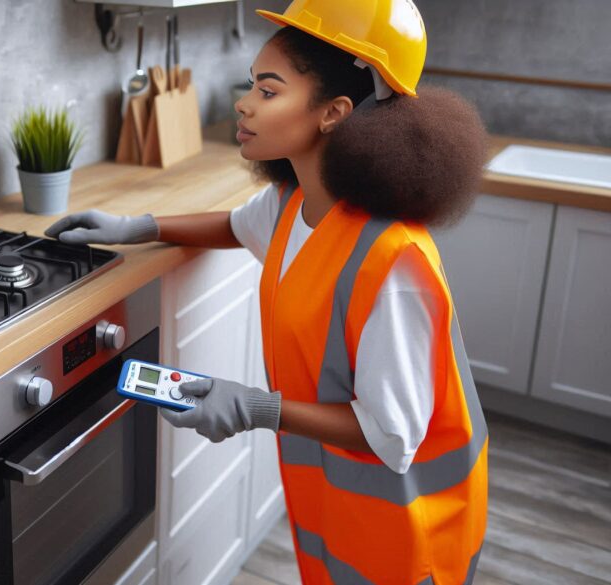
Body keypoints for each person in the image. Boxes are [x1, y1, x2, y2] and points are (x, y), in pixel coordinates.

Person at [47, 1, 489, 583]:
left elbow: (395, 436)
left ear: (333, 112)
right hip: (333, 503)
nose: (244, 102)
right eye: (251, 84)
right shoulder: (293, 205)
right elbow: (235, 225)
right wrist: (143, 227)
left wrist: (258, 408)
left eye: (269, 90)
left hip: (409, 531)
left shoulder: (393, 262)